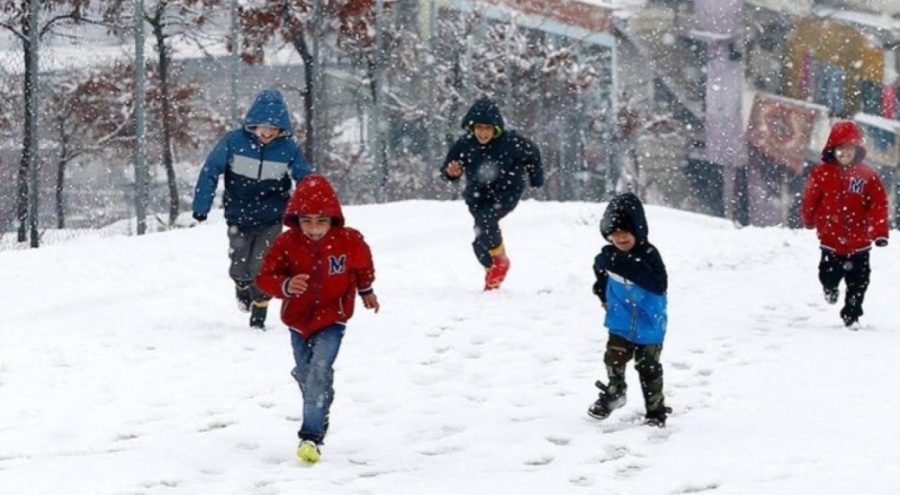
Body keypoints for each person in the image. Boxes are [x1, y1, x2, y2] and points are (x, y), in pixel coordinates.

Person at [256, 174, 380, 464]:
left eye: (321, 221)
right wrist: (285, 285)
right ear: (296, 219)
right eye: (307, 221)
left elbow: (362, 265)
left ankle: (310, 436)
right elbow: (265, 277)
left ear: (333, 219)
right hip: (298, 321)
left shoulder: (348, 241)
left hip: (332, 317)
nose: (314, 229)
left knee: (318, 370)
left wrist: (366, 290)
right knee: (306, 373)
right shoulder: (287, 243)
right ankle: (320, 400)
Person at [192, 89, 310, 329]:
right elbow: (210, 170)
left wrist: (310, 209)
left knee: (263, 265)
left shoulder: (288, 148)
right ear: (253, 124)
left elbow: (306, 178)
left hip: (272, 217)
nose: (268, 133)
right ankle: (241, 285)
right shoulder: (234, 142)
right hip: (238, 214)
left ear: (282, 130)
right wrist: (201, 205)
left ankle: (260, 308)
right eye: (263, 127)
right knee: (240, 264)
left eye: (274, 129)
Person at [440, 97, 544, 290]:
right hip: (477, 196)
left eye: (488, 128)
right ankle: (492, 269)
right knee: (480, 240)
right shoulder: (465, 144)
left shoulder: (511, 142)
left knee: (487, 221)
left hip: (506, 193)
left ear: (496, 129)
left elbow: (533, 154)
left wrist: (535, 177)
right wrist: (450, 173)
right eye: (479, 128)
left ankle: (501, 262)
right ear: (471, 128)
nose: (483, 133)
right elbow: (448, 168)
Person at [587, 192, 671, 428]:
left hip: (649, 323)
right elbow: (601, 275)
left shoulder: (648, 255)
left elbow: (658, 284)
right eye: (614, 233)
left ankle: (655, 411)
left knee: (648, 368)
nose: (620, 238)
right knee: (613, 358)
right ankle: (615, 393)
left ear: (638, 230)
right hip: (620, 320)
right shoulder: (607, 256)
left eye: (625, 231)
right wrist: (602, 294)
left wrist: (623, 264)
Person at [801, 120, 889, 328]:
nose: (844, 154)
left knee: (859, 282)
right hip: (831, 239)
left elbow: (878, 204)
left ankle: (852, 315)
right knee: (828, 274)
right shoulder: (821, 173)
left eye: (849, 149)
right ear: (833, 150)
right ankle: (830, 288)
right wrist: (808, 218)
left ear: (856, 150)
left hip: (860, 242)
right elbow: (810, 198)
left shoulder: (868, 176)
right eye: (840, 149)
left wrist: (879, 232)